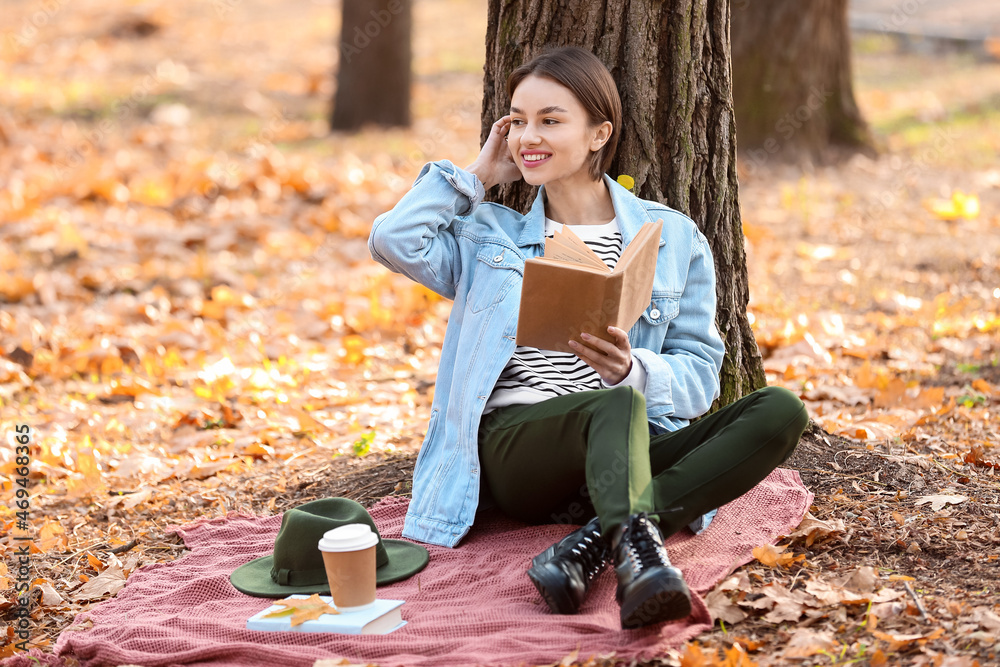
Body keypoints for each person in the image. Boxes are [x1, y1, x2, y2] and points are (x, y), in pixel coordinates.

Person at [368, 46, 809, 629]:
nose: (530, 136)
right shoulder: (487, 235)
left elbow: (702, 376)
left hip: (623, 448)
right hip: (520, 449)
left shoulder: (672, 237)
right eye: (519, 120)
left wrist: (633, 370)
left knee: (779, 409)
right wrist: (475, 177)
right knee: (612, 406)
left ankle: (595, 543)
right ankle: (642, 563)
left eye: (551, 120)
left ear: (599, 133)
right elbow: (393, 239)